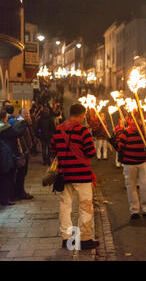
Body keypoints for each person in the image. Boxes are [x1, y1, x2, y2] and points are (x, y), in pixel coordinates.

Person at [50, 103, 99, 250]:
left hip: (65, 174)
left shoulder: (58, 130)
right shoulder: (83, 131)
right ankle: (84, 238)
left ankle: (66, 238)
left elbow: (53, 149)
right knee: (85, 206)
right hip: (82, 175)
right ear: (82, 115)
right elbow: (91, 152)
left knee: (65, 205)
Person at [116, 111, 146, 220]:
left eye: (140, 119)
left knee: (145, 185)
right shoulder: (125, 133)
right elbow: (119, 148)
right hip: (129, 163)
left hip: (142, 162)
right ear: (131, 120)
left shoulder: (145, 132)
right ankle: (134, 210)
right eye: (135, 119)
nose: (138, 122)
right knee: (131, 187)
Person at [0, 110, 26, 205]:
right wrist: (22, 121)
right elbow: (18, 133)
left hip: (3, 154)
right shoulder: (6, 127)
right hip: (6, 155)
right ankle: (5, 198)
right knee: (7, 177)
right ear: (5, 117)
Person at [15, 108, 34, 200]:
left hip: (26, 150)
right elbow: (20, 138)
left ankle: (20, 191)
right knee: (21, 173)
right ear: (20, 114)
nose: (27, 114)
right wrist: (25, 150)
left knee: (23, 173)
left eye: (27, 113)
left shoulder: (25, 122)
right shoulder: (20, 123)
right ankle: (20, 193)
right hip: (23, 151)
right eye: (25, 113)